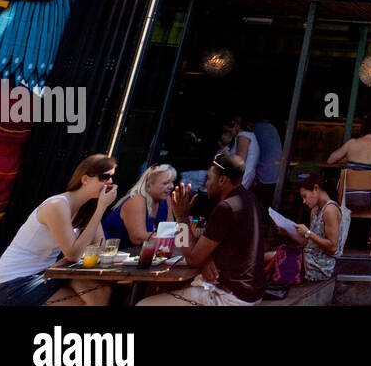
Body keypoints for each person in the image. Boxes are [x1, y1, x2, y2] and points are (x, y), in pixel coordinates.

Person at [0, 154, 117, 307]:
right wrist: (101, 208)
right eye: (104, 177)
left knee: (100, 290)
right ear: (85, 179)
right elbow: (73, 255)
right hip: (12, 285)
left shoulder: (86, 209)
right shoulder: (58, 205)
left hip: (43, 275)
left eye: (112, 177)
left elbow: (100, 248)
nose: (110, 183)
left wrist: (97, 210)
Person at [138, 152, 266, 306]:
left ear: (222, 180)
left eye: (209, 179)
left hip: (231, 298)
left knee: (144, 304)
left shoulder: (225, 207)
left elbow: (192, 259)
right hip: (250, 294)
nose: (206, 184)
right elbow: (204, 252)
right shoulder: (248, 199)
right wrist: (205, 258)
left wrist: (181, 218)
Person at [267, 175, 348, 282]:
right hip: (309, 256)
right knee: (272, 254)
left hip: (321, 265)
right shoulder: (315, 210)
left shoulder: (330, 210)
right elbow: (309, 243)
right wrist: (289, 233)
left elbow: (333, 247)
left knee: (277, 257)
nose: (304, 201)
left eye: (305, 196)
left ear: (316, 189)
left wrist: (309, 233)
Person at [327, 111, 371, 212]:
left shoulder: (352, 143)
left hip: (344, 198)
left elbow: (330, 160)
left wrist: (348, 159)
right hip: (367, 199)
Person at [102, 163, 176, 246]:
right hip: (111, 253)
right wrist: (177, 237)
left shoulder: (166, 200)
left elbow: (171, 231)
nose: (171, 186)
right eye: (165, 183)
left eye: (172, 182)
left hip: (140, 255)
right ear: (148, 185)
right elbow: (138, 238)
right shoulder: (137, 199)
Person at [251, 111, 284, 210]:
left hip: (265, 173)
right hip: (276, 173)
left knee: (257, 202)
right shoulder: (271, 127)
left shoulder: (256, 128)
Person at [224, 115, 260, 191]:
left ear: (236, 125)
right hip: (243, 177)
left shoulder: (243, 136)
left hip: (241, 179)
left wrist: (226, 154)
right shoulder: (245, 135)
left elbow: (239, 162)